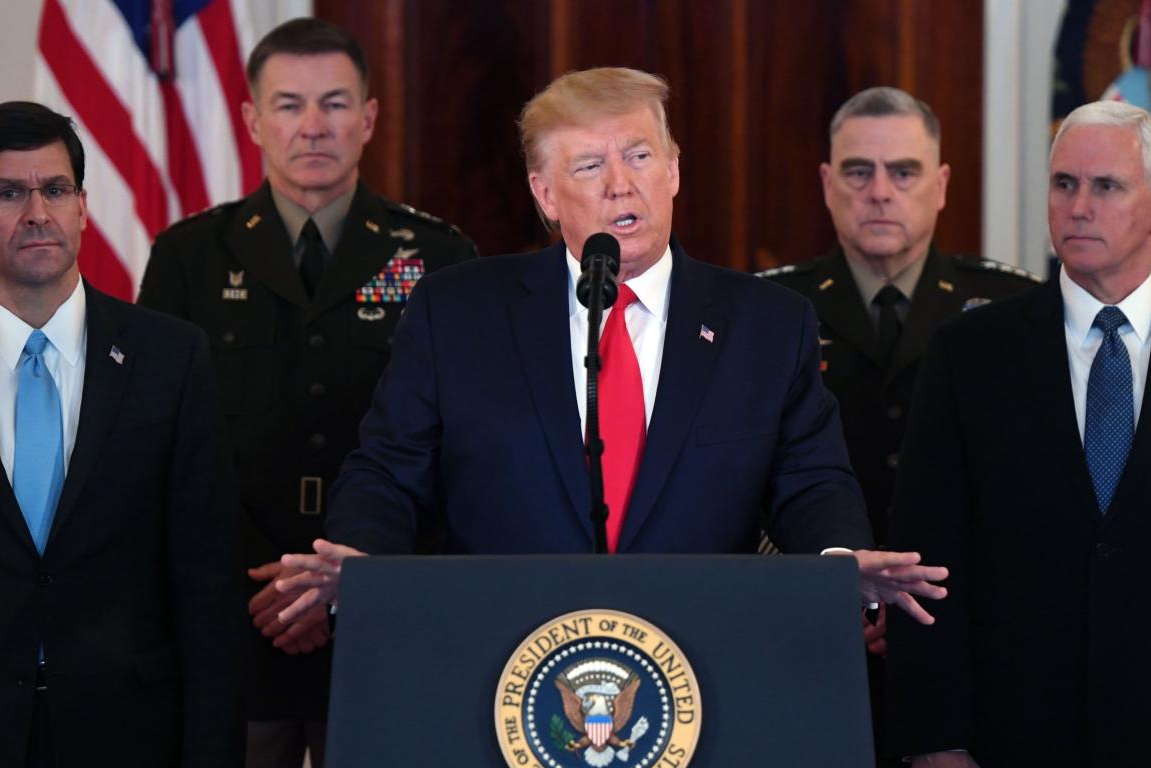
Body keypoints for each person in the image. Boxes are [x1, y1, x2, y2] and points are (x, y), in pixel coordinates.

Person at [273, 68, 947, 634]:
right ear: (545, 195)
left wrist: (838, 562)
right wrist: (358, 556)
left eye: (641, 156)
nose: (621, 184)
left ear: (675, 171)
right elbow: (390, 473)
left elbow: (811, 482)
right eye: (591, 166)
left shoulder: (767, 324)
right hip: (503, 655)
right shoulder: (459, 313)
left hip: (702, 658)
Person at [136, 17, 476, 768]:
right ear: (253, 120)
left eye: (334, 103)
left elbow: (464, 448)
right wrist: (279, 591)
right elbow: (155, 448)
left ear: (370, 116)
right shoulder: (189, 256)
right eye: (289, 105)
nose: (314, 126)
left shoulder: (438, 258)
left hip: (386, 622)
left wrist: (344, 580)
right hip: (235, 622)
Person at [888, 100, 1151, 768]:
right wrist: (934, 738)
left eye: (1106, 187)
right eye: (1063, 185)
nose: (1078, 207)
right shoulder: (972, 353)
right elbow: (926, 556)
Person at [0, 102, 241, 768]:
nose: (36, 211)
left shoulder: (171, 357)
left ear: (84, 207)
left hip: (130, 757)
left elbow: (206, 581)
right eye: (9, 192)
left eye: (54, 190)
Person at [761, 86, 1038, 768]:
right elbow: (736, 483)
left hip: (971, 664)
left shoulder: (1014, 311)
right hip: (805, 650)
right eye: (857, 171)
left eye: (905, 171)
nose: (880, 192)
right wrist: (829, 586)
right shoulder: (761, 316)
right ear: (826, 183)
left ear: (942, 184)